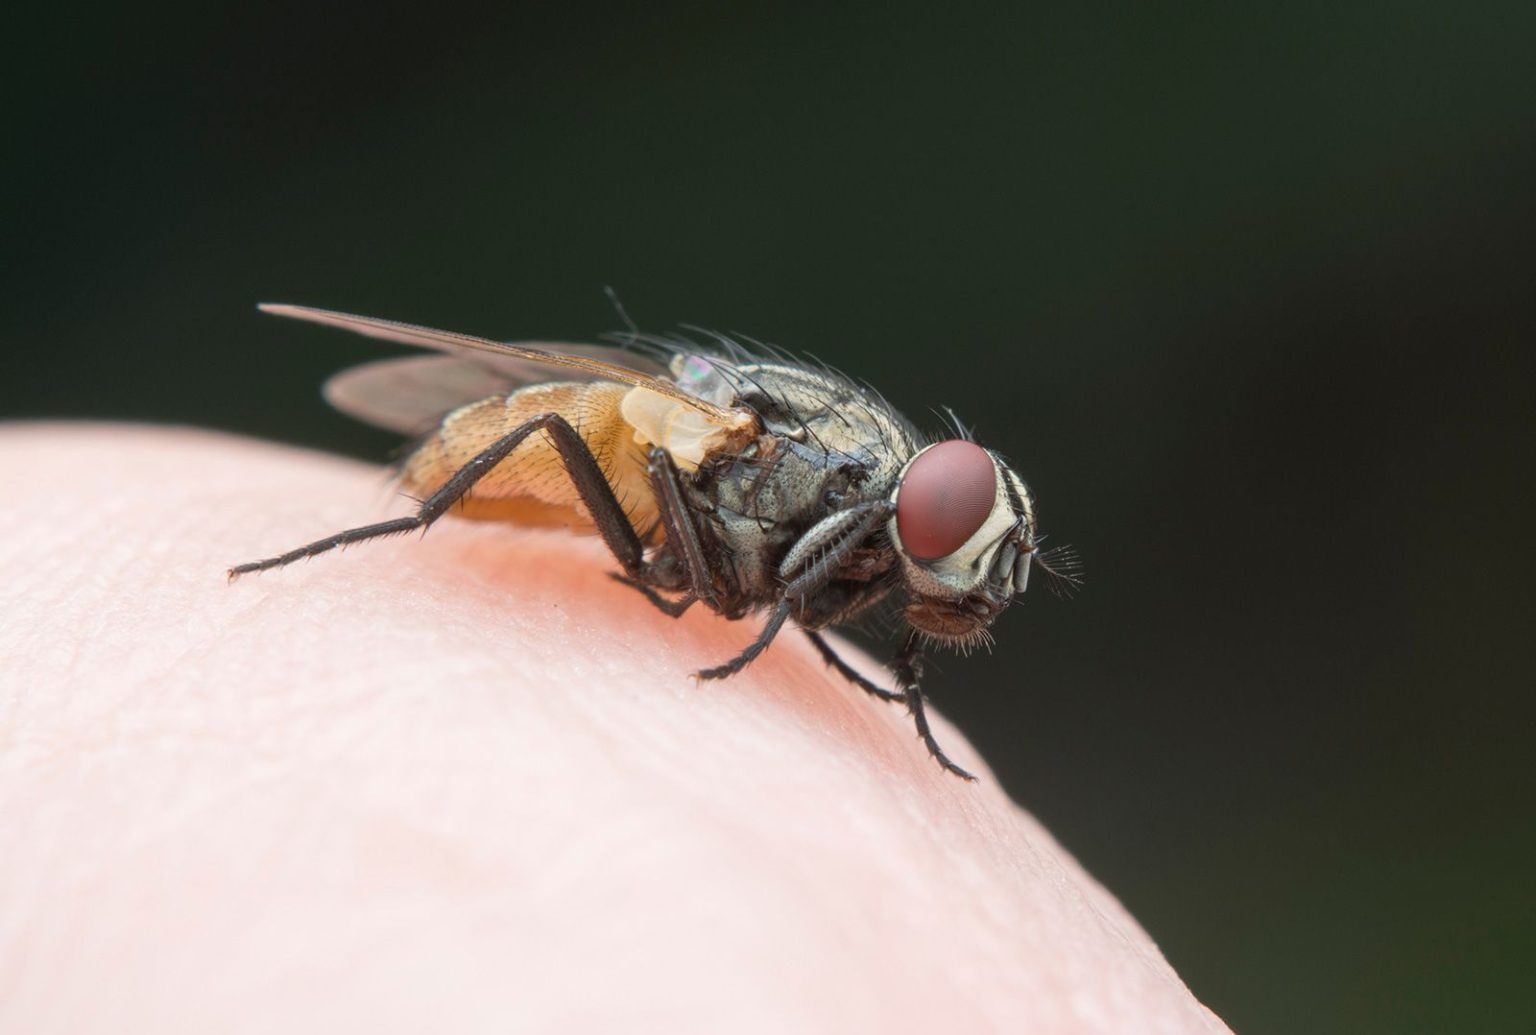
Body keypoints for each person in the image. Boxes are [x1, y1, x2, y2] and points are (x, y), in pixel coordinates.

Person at [0, 425, 1229, 1033]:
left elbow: (862, 589)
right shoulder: (813, 479)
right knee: (569, 430)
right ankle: (354, 545)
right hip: (581, 450)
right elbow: (630, 444)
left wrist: (885, 677)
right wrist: (763, 634)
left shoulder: (868, 527)